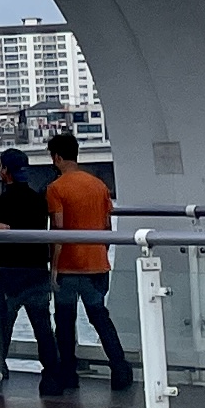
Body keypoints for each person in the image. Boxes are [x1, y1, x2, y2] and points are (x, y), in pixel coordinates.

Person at [45, 130, 132, 394]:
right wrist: (100, 253)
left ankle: (68, 373)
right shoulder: (99, 186)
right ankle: (120, 368)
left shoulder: (56, 188)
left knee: (65, 321)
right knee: (100, 318)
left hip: (69, 266)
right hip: (97, 264)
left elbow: (58, 230)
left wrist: (54, 267)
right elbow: (107, 227)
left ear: (57, 157)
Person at [0, 148, 56, 383]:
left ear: (5, 170)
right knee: (43, 327)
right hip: (37, 270)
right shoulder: (38, 200)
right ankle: (52, 375)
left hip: (8, 273)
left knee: (2, 327)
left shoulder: (0, 201)